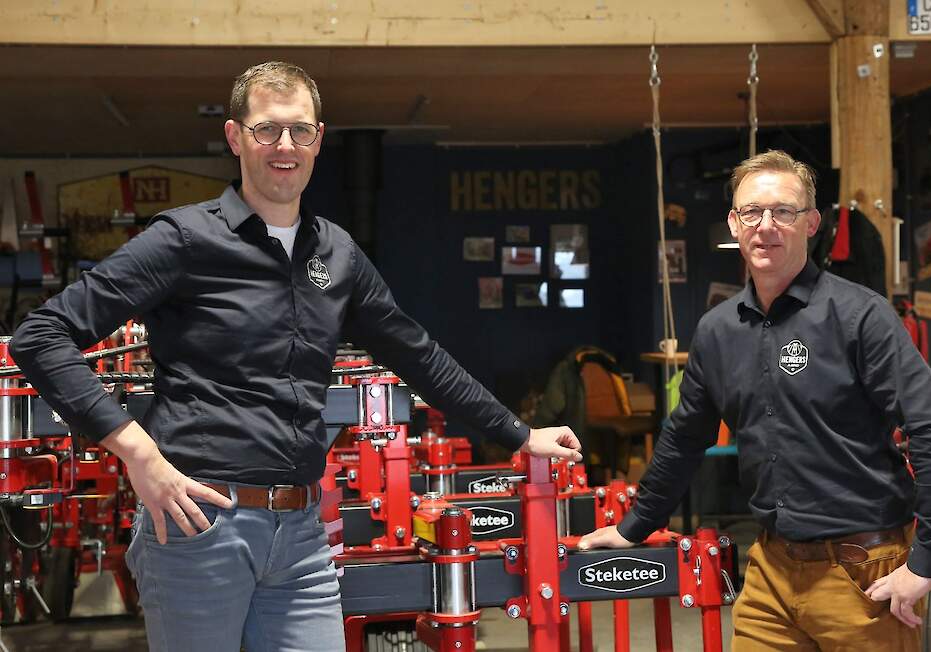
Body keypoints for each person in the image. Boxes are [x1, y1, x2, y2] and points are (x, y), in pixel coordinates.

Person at [10, 61, 581, 652]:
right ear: (236, 138)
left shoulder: (336, 252)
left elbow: (417, 354)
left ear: (317, 139)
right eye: (267, 130)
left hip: (302, 538)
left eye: (299, 131)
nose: (285, 146)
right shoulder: (183, 239)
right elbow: (41, 336)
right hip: (200, 527)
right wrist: (136, 451)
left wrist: (518, 434)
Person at [579, 150, 931, 650]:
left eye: (783, 211)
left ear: (811, 223)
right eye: (751, 212)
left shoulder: (859, 316)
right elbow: (685, 438)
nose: (766, 226)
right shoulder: (718, 331)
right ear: (733, 223)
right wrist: (635, 526)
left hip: (862, 574)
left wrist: (927, 563)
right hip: (768, 573)